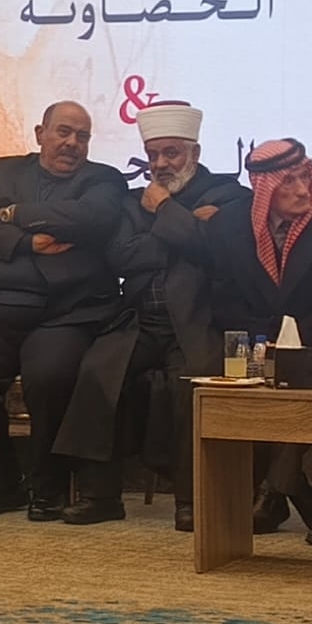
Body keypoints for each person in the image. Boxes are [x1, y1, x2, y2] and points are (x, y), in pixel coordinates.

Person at [0, 101, 126, 523]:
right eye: (63, 132)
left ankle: (47, 487)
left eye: (82, 136)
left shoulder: (104, 179)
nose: (72, 143)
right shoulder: (3, 170)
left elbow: (88, 218)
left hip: (64, 313)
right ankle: (1, 485)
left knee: (49, 377)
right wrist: (26, 241)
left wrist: (14, 214)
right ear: (40, 133)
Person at [54, 100, 250, 531]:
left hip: (199, 323)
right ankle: (100, 495)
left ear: (195, 153)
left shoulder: (228, 194)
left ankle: (193, 499)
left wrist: (163, 211)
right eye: (153, 154)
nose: (160, 164)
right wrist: (187, 227)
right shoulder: (130, 202)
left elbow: (218, 250)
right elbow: (123, 257)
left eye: (171, 153)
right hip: (141, 321)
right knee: (98, 370)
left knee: (193, 385)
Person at [205, 138, 312, 545]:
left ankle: (277, 489)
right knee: (220, 373)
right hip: (257, 341)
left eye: (305, 177)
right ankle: (285, 489)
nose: (302, 190)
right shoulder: (227, 224)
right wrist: (270, 342)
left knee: (307, 372)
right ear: (262, 188)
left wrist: (291, 344)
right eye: (288, 182)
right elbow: (224, 300)